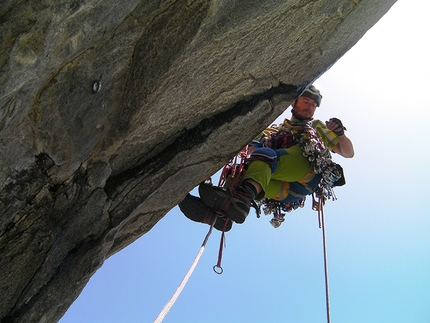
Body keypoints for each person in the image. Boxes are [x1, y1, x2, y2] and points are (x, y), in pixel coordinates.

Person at [179, 85, 354, 231]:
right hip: (281, 189)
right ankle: (220, 217)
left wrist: (340, 134)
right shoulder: (271, 131)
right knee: (238, 175)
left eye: (314, 105)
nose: (310, 107)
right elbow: (248, 145)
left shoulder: (315, 126)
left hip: (304, 174)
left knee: (265, 155)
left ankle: (238, 202)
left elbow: (347, 152)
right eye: (306, 101)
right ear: (293, 102)